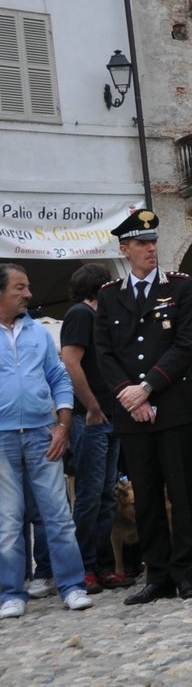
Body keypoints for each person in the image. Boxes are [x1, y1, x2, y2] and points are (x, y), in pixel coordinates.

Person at [93, 210, 192, 603]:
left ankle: (183, 571)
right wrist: (128, 392)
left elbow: (185, 344)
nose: (150, 249)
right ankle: (156, 574)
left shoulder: (179, 287)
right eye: (141, 243)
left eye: (153, 242)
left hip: (171, 404)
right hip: (131, 410)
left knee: (179, 489)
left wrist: (147, 388)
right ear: (124, 249)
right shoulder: (110, 295)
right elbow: (105, 352)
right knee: (144, 493)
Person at [0, 264, 95, 617]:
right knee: (8, 519)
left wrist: (63, 425)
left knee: (58, 514)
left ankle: (71, 586)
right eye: (19, 288)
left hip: (43, 433)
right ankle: (11, 592)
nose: (28, 294)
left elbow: (59, 378)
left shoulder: (38, 333)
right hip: (2, 437)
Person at [57, 263, 120, 592]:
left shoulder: (99, 317)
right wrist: (92, 405)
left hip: (111, 416)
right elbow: (70, 362)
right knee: (89, 497)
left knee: (106, 495)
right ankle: (84, 567)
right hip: (92, 418)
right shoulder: (80, 315)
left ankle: (104, 564)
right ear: (101, 288)